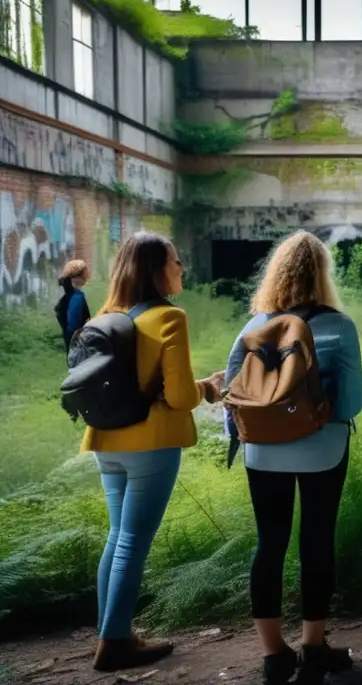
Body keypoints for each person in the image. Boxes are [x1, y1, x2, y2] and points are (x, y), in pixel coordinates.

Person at [224, 231, 362, 685]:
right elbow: (352, 404)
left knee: (270, 544)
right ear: (322, 274)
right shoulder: (339, 326)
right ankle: (312, 647)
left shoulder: (254, 326)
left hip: (262, 451)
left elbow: (233, 394)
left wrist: (251, 436)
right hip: (322, 448)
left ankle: (273, 655)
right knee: (316, 540)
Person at [81, 233, 222, 672]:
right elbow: (179, 397)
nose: (181, 268)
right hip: (152, 444)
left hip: (106, 441)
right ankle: (115, 642)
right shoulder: (168, 318)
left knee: (117, 538)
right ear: (156, 269)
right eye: (176, 262)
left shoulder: (107, 314)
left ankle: (112, 631)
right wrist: (210, 387)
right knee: (131, 545)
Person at [55, 259, 91, 352]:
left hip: (71, 348)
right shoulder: (77, 297)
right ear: (80, 276)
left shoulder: (67, 296)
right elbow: (73, 327)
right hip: (78, 349)